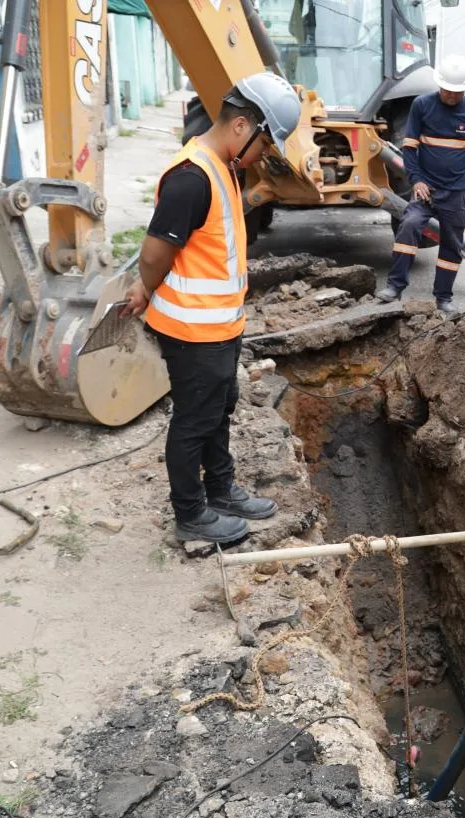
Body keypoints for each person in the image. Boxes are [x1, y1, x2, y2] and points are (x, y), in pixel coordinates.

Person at [121, 73, 301, 544]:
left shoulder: (224, 168)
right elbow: (154, 255)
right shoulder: (190, 178)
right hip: (191, 330)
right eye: (266, 144)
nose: (266, 155)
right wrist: (144, 287)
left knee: (220, 409)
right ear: (242, 125)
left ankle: (220, 489)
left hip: (219, 326)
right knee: (194, 419)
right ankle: (190, 516)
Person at [375, 54, 465, 314]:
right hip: (426, 190)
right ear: (440, 86)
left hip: (456, 193)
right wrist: (416, 181)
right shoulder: (422, 105)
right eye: (448, 90)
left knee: (451, 244)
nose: (451, 95)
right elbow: (410, 147)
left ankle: (443, 298)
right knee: (409, 225)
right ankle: (394, 287)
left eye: (457, 92)